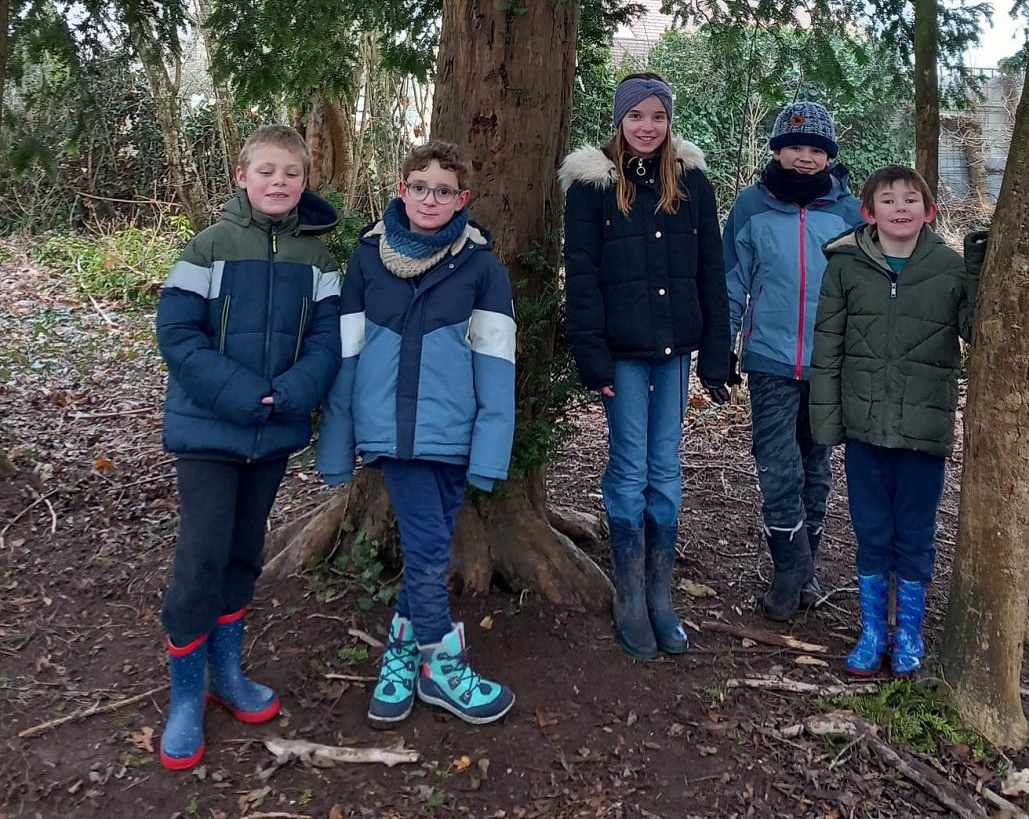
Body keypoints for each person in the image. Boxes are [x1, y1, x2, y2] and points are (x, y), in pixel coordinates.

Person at [155, 126, 342, 771]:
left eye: (291, 174)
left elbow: (327, 339)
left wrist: (294, 391)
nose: (279, 183)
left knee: (243, 553)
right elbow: (178, 334)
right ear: (242, 176)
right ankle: (185, 697)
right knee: (202, 557)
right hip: (212, 430)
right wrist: (240, 393)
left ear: (304, 181)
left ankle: (227, 674)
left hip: (271, 433)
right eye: (267, 171)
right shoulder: (208, 248)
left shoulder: (317, 259)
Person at [317, 140, 516, 725]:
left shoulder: (482, 268)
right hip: (391, 434)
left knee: (431, 549)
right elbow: (346, 357)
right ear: (401, 189)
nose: (431, 198)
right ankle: (445, 668)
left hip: (454, 434)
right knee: (429, 554)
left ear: (463, 200)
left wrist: (489, 450)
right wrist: (335, 445)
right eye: (420, 187)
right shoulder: (366, 260)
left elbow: (498, 365)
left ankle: (402, 658)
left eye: (445, 190)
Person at [561, 71, 730, 661]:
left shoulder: (692, 182)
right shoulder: (592, 187)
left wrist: (714, 355)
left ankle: (661, 594)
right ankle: (629, 593)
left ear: (669, 122)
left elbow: (711, 268)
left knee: (667, 467)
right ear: (619, 120)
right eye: (636, 116)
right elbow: (581, 276)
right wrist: (592, 355)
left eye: (657, 117)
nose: (647, 127)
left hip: (676, 350)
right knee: (629, 467)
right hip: (622, 353)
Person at [809, 164, 986, 676]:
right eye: (888, 200)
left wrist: (976, 268)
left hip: (922, 431)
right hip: (865, 430)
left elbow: (977, 331)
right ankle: (871, 631)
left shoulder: (949, 268)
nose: (900, 207)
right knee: (871, 530)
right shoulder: (845, 266)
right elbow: (828, 348)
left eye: (912, 199)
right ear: (869, 212)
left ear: (929, 211)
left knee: (915, 532)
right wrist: (827, 424)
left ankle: (908, 632)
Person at [724, 100, 861, 620]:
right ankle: (789, 569)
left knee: (815, 464)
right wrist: (724, 347)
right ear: (777, 151)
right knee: (778, 465)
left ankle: (809, 569)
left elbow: (867, 288)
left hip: (830, 362)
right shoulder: (752, 207)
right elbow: (733, 280)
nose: (804, 158)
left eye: (815, 150)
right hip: (770, 359)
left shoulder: (850, 213)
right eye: (795, 148)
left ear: (828, 156)